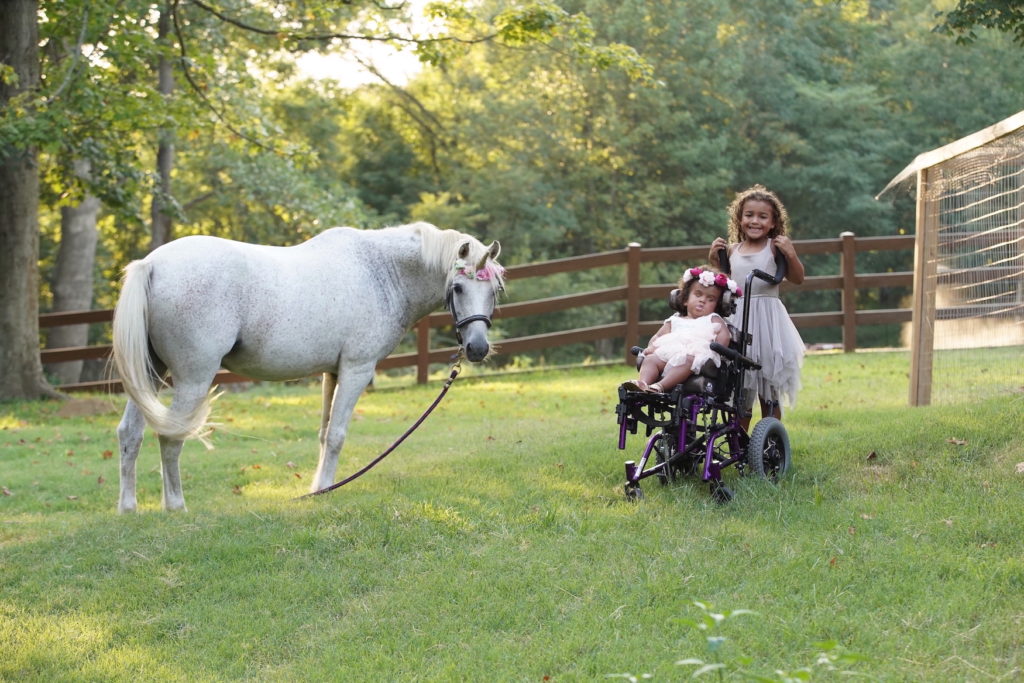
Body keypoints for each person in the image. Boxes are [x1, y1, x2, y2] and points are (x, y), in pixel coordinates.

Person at [709, 184, 805, 427]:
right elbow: (724, 285)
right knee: (741, 388)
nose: (755, 221)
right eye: (749, 215)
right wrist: (714, 261)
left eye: (763, 216)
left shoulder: (774, 247)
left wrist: (791, 254)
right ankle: (740, 446)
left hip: (768, 323)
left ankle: (769, 443)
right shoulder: (732, 250)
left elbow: (797, 278)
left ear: (773, 222)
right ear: (740, 219)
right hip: (738, 320)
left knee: (768, 388)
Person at [624, 266, 739, 394]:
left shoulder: (713, 319)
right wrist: (651, 347)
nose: (702, 300)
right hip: (670, 352)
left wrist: (718, 350)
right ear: (685, 300)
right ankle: (643, 383)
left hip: (695, 355)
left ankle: (659, 386)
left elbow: (725, 336)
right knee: (650, 359)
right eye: (698, 294)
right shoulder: (675, 319)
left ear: (716, 305)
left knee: (687, 361)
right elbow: (658, 336)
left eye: (710, 299)